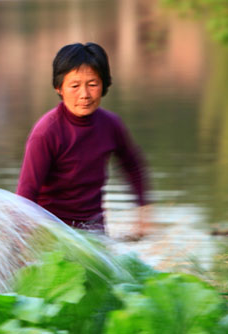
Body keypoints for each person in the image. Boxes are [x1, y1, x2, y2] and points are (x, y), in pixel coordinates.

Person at [16, 42, 150, 238]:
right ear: (59, 87)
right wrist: (23, 239)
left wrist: (143, 210)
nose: (85, 95)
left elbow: (133, 165)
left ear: (104, 84)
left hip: (94, 233)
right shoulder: (46, 132)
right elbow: (26, 193)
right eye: (75, 86)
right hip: (52, 233)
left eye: (93, 84)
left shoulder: (111, 125)